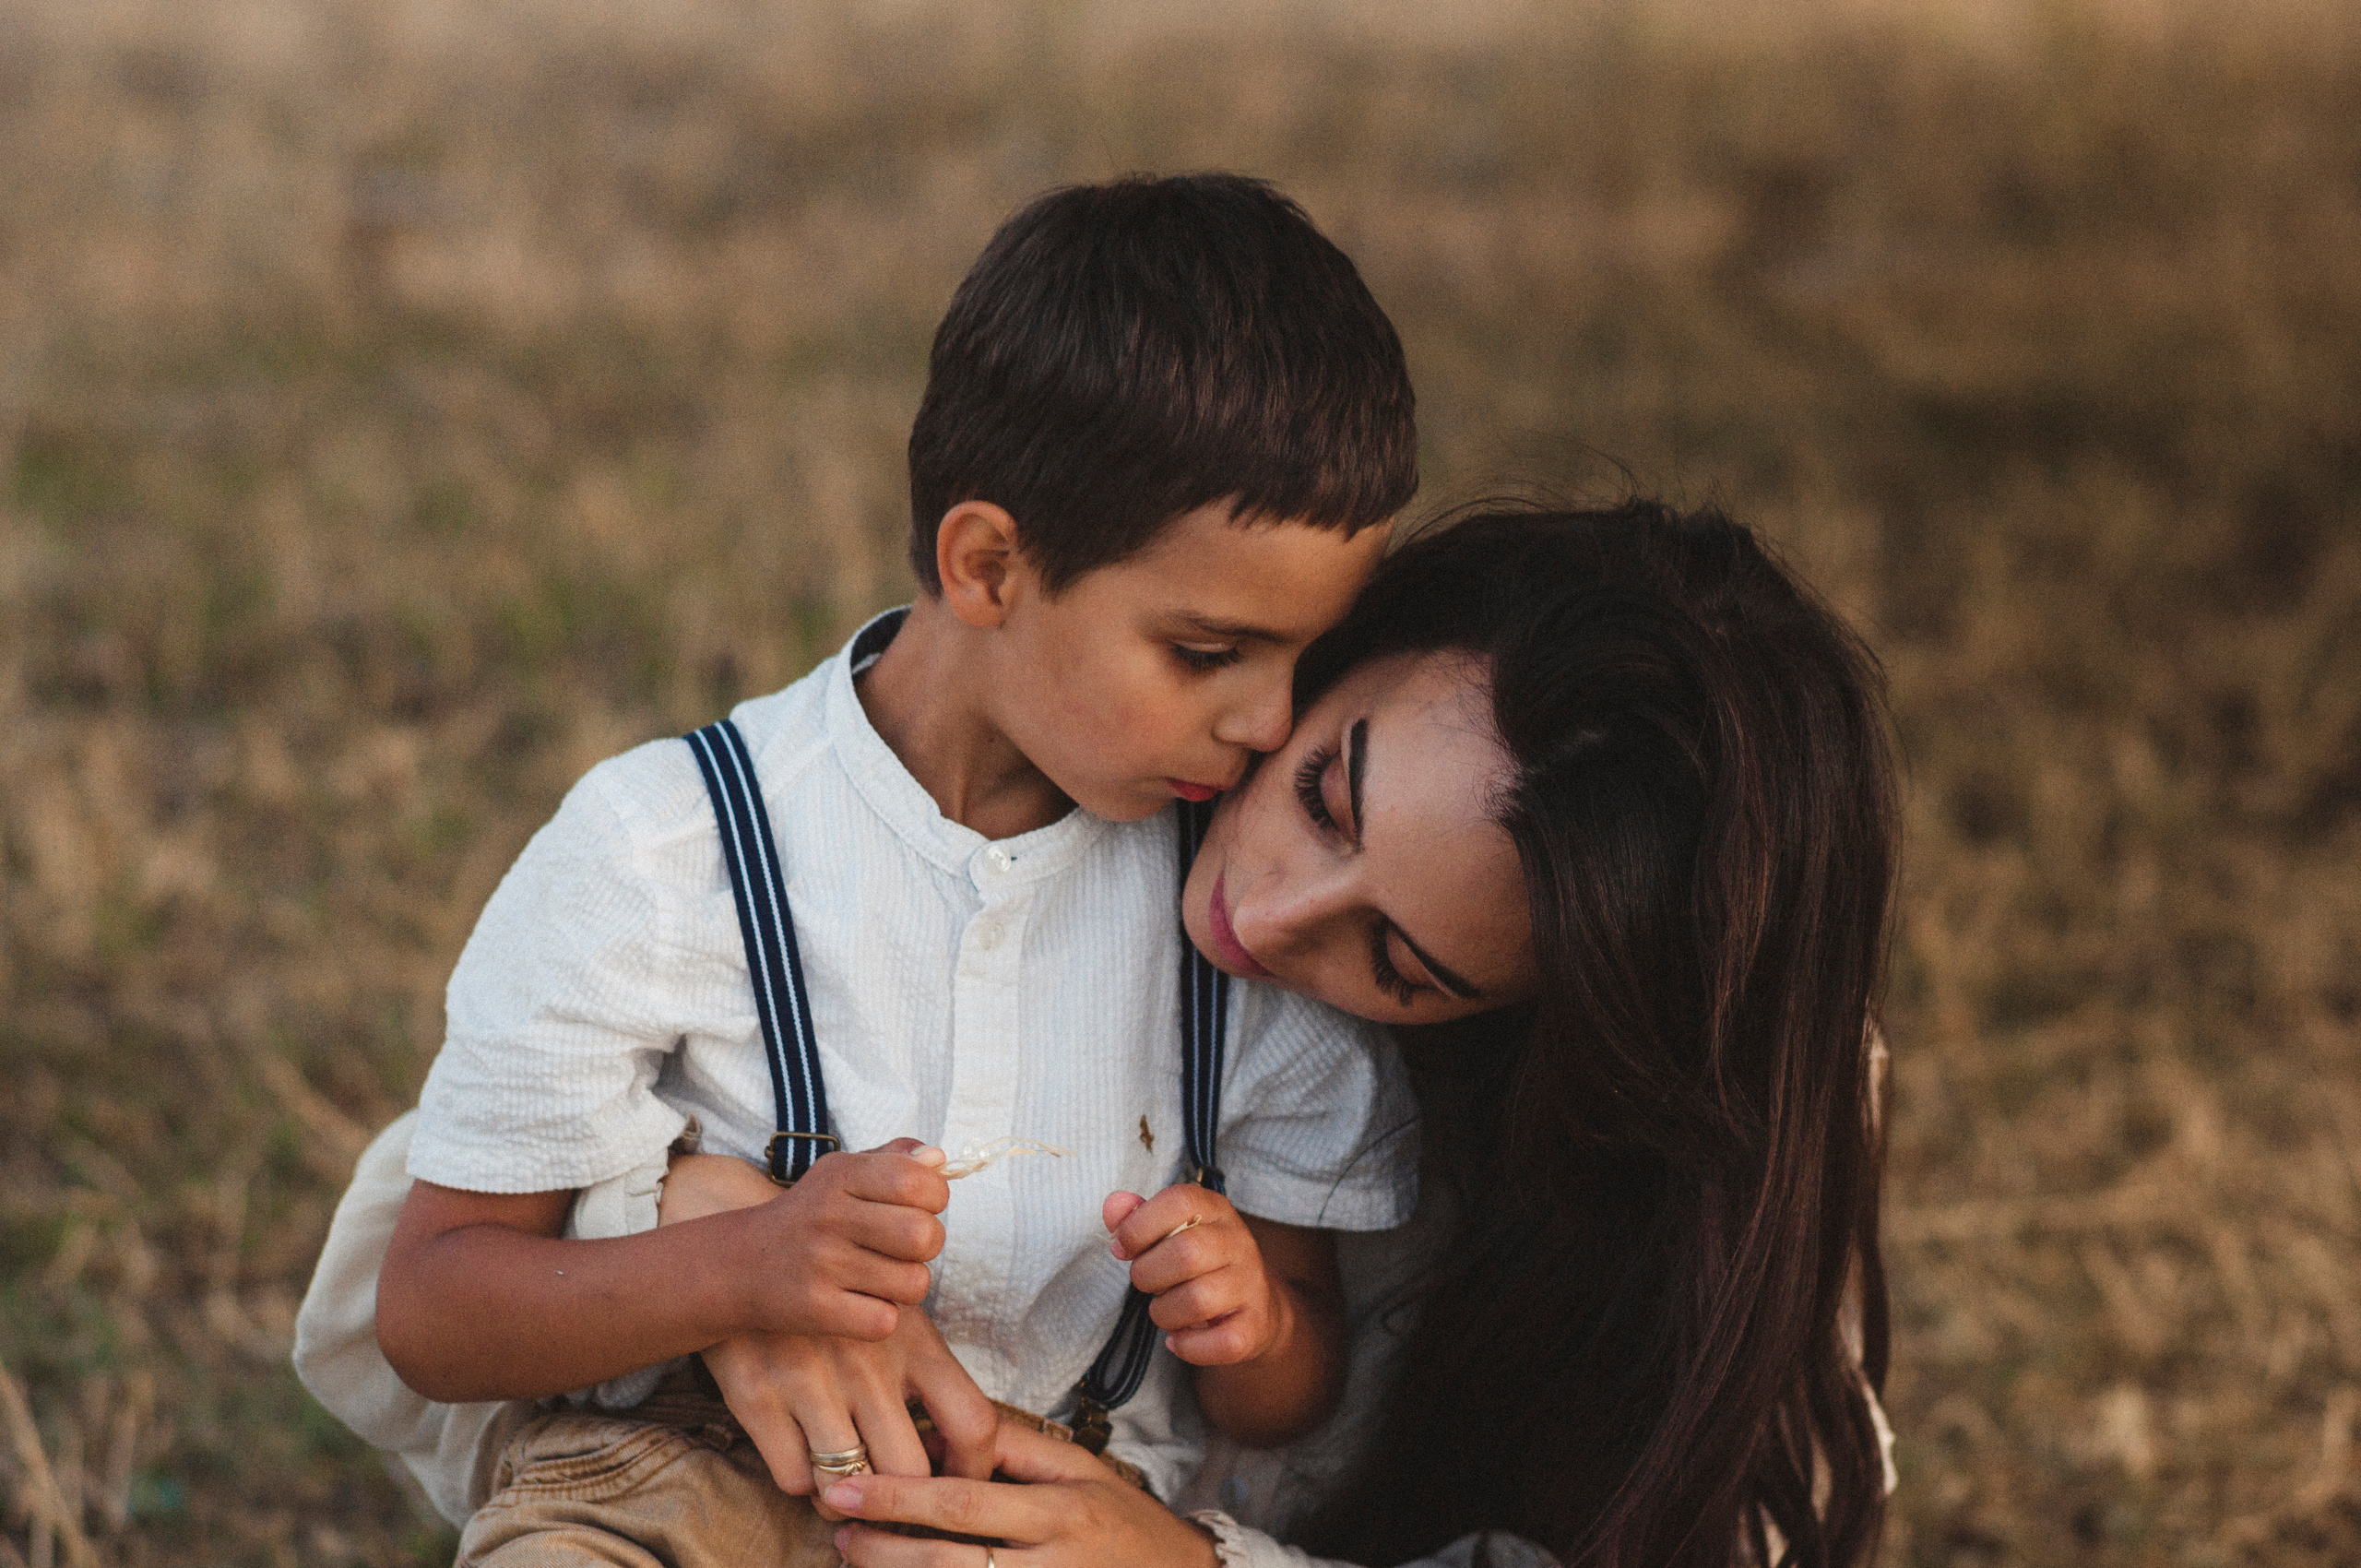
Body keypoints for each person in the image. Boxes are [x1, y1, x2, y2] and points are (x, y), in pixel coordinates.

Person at [305, 172, 1428, 1561]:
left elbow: (1297, 1384)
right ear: (988, 566)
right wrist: (741, 1267)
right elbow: (437, 1308)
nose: (1267, 722)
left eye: (1303, 662)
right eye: (1206, 655)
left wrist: (1251, 1320)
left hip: (1052, 1512)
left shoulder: (1250, 929)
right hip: (683, 1469)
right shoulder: (668, 847)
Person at [773, 499, 1899, 1567]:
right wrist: (715, 1210)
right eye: (1322, 798)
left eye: (1399, 964)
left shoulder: (1698, 1173)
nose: (1259, 920)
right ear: (1356, 639)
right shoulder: (1080, 760)